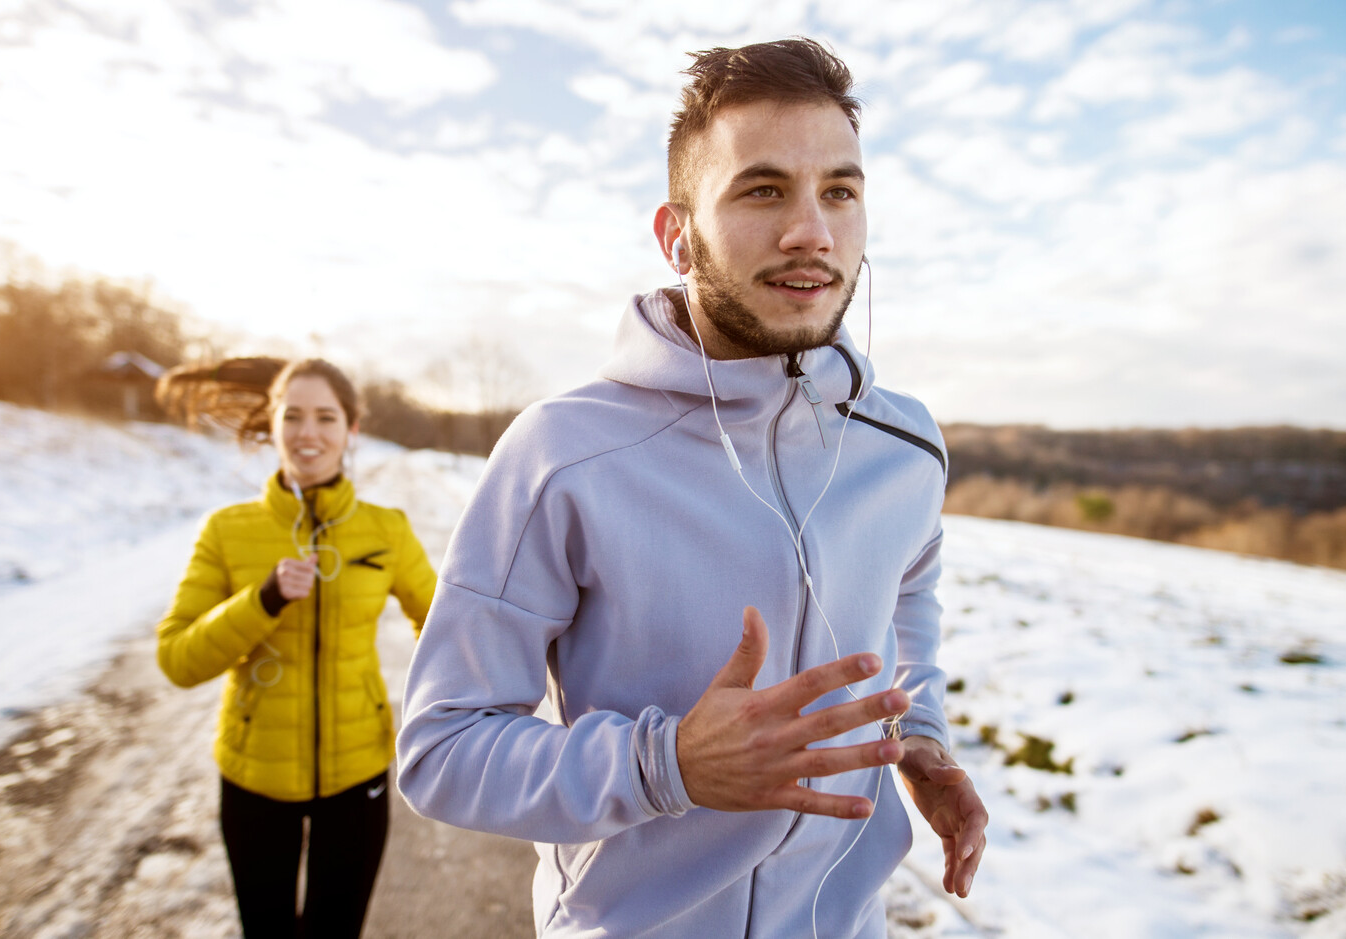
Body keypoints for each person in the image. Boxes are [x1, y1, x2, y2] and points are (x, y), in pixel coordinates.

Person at [396, 38, 988, 938]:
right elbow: (442, 748)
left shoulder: (904, 445)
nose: (811, 231)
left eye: (840, 189)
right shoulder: (564, 453)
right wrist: (661, 763)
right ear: (678, 235)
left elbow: (909, 598)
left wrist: (923, 736)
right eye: (762, 189)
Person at [154, 356, 436, 939]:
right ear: (274, 424)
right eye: (294, 416)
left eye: (326, 418)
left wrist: (440, 714)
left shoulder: (387, 530)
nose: (309, 433)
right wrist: (263, 599)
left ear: (351, 429)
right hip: (254, 779)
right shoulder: (227, 531)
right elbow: (178, 659)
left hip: (357, 779)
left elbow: (442, 631)